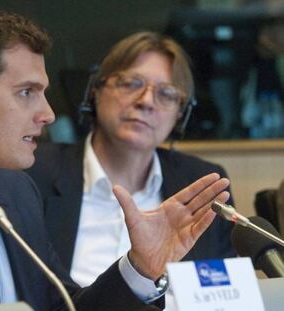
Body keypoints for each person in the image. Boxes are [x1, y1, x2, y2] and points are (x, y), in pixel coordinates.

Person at [0, 5, 230, 311]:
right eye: (26, 92)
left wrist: (140, 268)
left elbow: (63, 307)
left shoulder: (15, 193)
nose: (47, 114)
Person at [27, 31, 236, 296]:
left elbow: (222, 294)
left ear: (180, 115)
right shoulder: (34, 173)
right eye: (130, 83)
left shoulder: (204, 182)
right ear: (96, 91)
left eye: (166, 94)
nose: (146, 101)